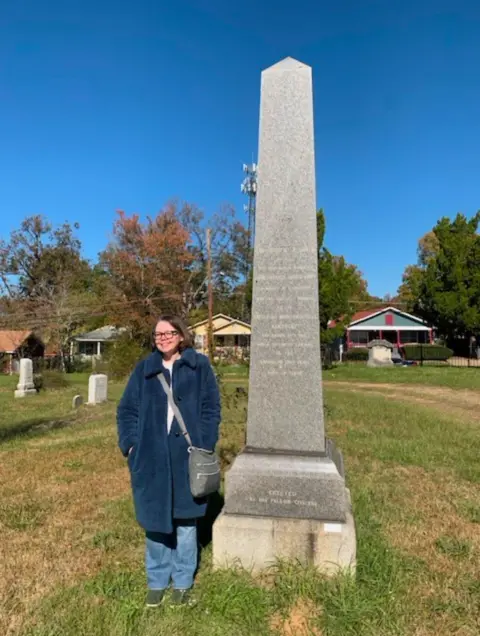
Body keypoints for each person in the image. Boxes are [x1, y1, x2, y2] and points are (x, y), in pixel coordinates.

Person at [117, 315, 221, 608]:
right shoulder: (145, 370)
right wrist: (131, 446)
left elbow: (211, 408)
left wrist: (205, 443)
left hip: (186, 456)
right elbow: (126, 410)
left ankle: (183, 582)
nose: (162, 338)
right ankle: (157, 580)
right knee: (155, 522)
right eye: (157, 334)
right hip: (150, 458)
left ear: (181, 335)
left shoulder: (198, 367)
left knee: (186, 523)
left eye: (168, 333)